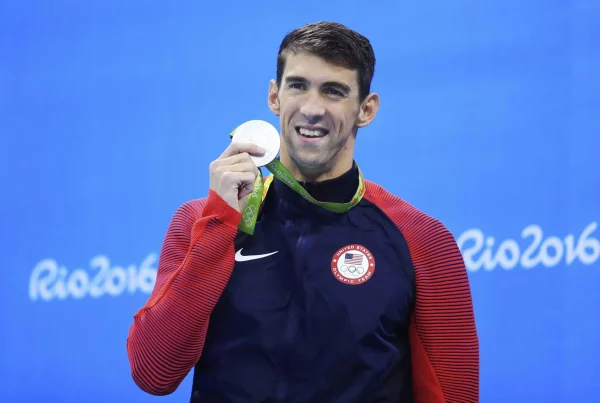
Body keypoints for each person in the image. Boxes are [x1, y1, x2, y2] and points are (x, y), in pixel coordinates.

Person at [126, 21, 479, 402]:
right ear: (274, 97)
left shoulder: (420, 238)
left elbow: (455, 394)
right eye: (298, 86)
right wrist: (219, 222)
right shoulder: (203, 221)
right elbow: (153, 373)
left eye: (334, 91)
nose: (312, 109)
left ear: (366, 109)